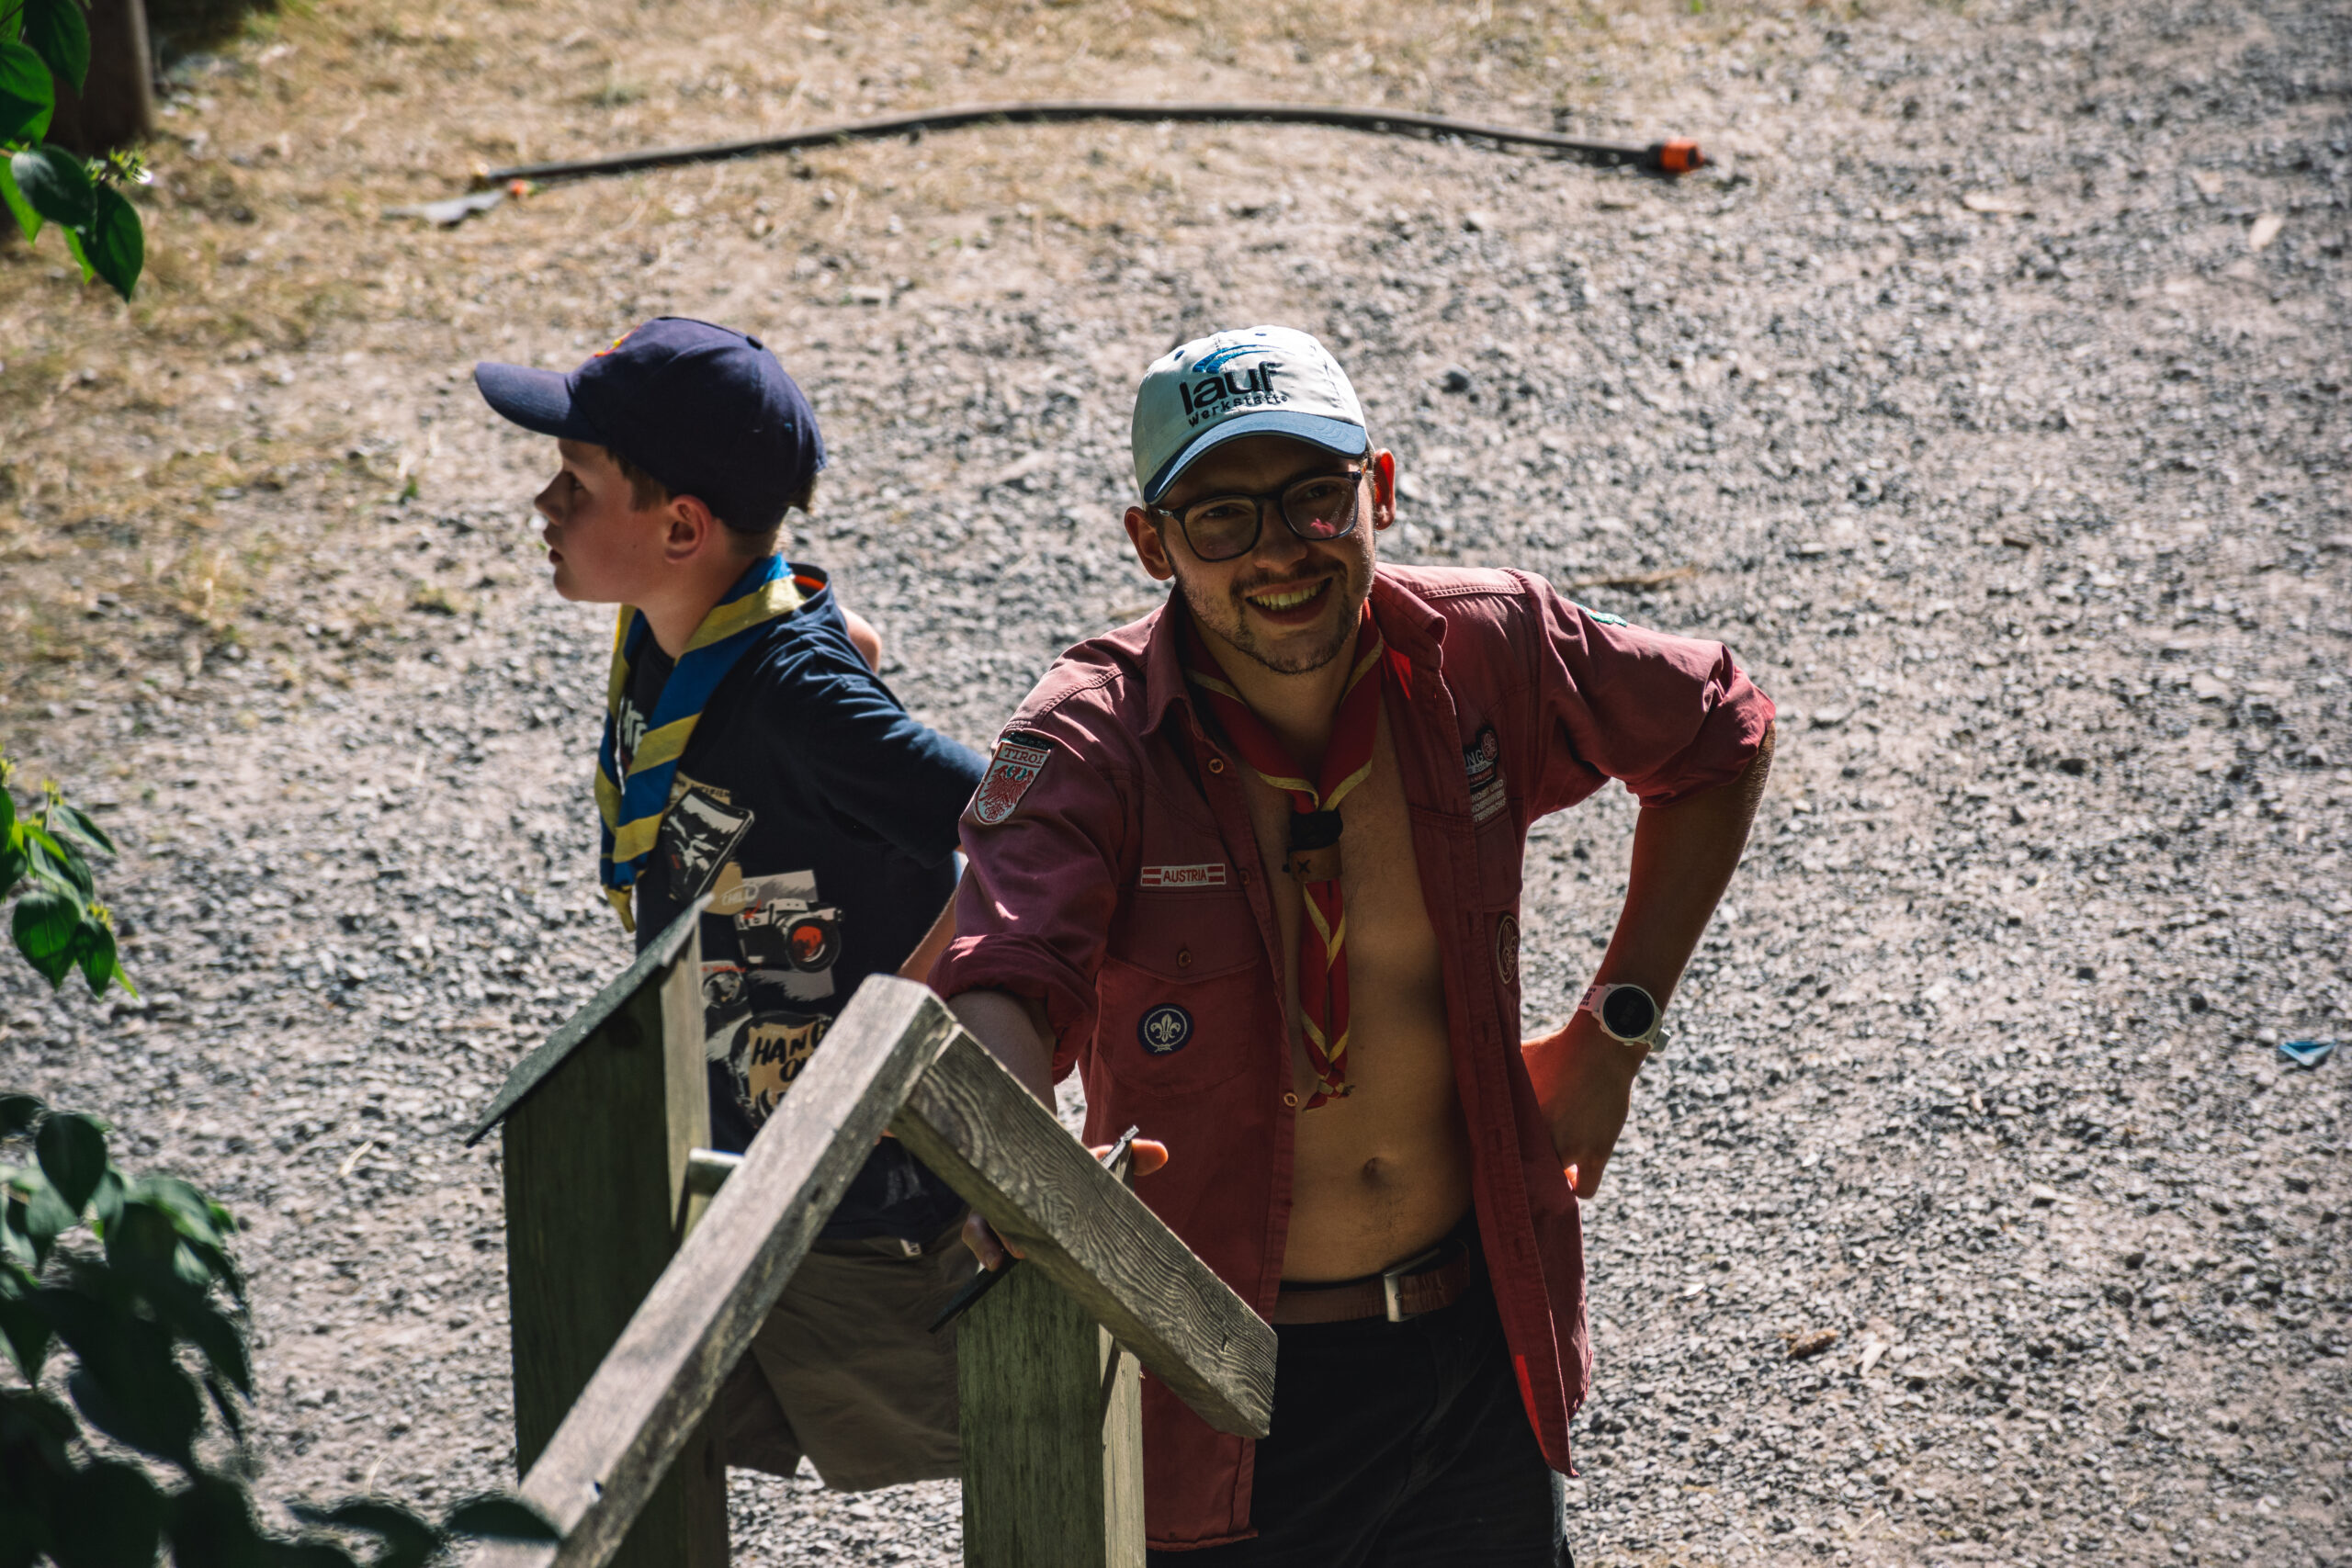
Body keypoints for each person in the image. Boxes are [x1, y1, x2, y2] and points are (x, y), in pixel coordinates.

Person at [932, 326, 1776, 1564]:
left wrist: (1616, 1031)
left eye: (1314, 498)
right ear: (1153, 543)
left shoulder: (1486, 650)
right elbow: (1000, 974)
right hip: (1220, 1384)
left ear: (1379, 487)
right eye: (1221, 517)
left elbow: (1718, 731)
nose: (1280, 549)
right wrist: (1010, 1162)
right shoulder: (1093, 742)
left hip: (1477, 1345)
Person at [474, 317, 984, 1492]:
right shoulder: (673, 628)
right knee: (631, 1436)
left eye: (575, 482)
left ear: (681, 529)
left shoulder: (798, 698)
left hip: (861, 1206)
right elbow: (823, 635)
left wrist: (910, 1010)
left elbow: (1023, 822)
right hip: (731, 1155)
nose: (544, 504)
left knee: (1030, 1438)